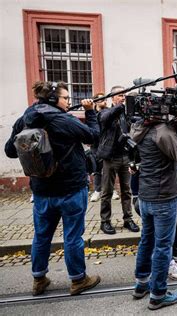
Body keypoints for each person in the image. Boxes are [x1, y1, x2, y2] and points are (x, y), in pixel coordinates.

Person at [4, 81, 101, 296]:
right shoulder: (62, 119)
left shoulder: (25, 118)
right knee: (73, 236)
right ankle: (78, 280)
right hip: (71, 189)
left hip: (41, 191)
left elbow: (10, 150)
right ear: (53, 99)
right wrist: (90, 113)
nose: (68, 101)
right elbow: (93, 136)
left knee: (41, 236)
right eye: (66, 98)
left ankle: (39, 279)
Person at [130, 107, 177, 310]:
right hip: (164, 197)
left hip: (146, 194)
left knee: (147, 240)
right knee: (162, 246)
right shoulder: (163, 132)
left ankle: (141, 284)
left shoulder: (139, 127)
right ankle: (158, 294)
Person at [96, 86, 139, 234]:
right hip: (110, 157)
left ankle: (128, 219)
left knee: (126, 191)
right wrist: (121, 106)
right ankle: (105, 221)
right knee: (107, 191)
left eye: (124, 95)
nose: (122, 97)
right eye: (120, 95)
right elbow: (104, 119)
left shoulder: (127, 113)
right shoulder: (105, 112)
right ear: (112, 97)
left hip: (125, 156)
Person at [89, 93, 108, 202]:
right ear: (96, 102)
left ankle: (110, 189)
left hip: (107, 144)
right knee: (96, 169)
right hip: (96, 145)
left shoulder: (109, 111)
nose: (104, 101)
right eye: (101, 99)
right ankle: (97, 190)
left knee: (108, 169)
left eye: (104, 99)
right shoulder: (91, 113)